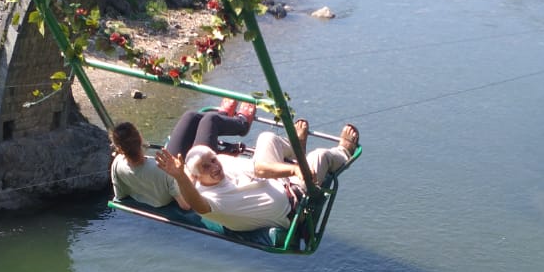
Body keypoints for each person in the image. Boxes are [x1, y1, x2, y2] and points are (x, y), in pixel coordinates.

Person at [156, 118, 358, 235]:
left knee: (267, 138)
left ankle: (296, 150)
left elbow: (260, 169)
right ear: (197, 177)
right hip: (293, 202)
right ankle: (343, 152)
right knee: (321, 155)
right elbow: (196, 204)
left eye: (213, 160)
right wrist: (180, 176)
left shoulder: (224, 163)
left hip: (278, 181)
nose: (214, 167)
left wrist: (292, 170)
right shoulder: (209, 201)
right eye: (205, 167)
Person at [110, 121, 182, 209]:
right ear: (140, 138)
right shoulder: (163, 168)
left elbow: (120, 196)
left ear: (119, 149)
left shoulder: (117, 163)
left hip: (147, 201)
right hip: (166, 199)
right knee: (191, 116)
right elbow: (185, 205)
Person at [165, 99, 256, 159]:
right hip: (181, 178)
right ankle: (242, 124)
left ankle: (223, 117)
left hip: (166, 169)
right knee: (211, 120)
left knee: (191, 116)